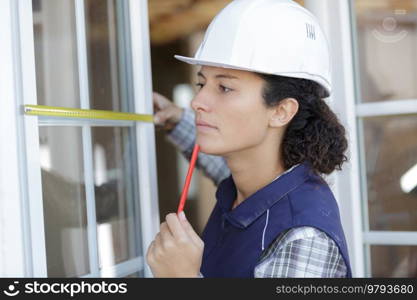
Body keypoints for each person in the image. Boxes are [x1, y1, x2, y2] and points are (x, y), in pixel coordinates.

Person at [146, 0, 352, 278]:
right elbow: (220, 169)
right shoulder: (250, 185)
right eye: (201, 83)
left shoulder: (303, 239)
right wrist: (175, 119)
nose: (197, 102)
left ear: (281, 111)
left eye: (225, 87)